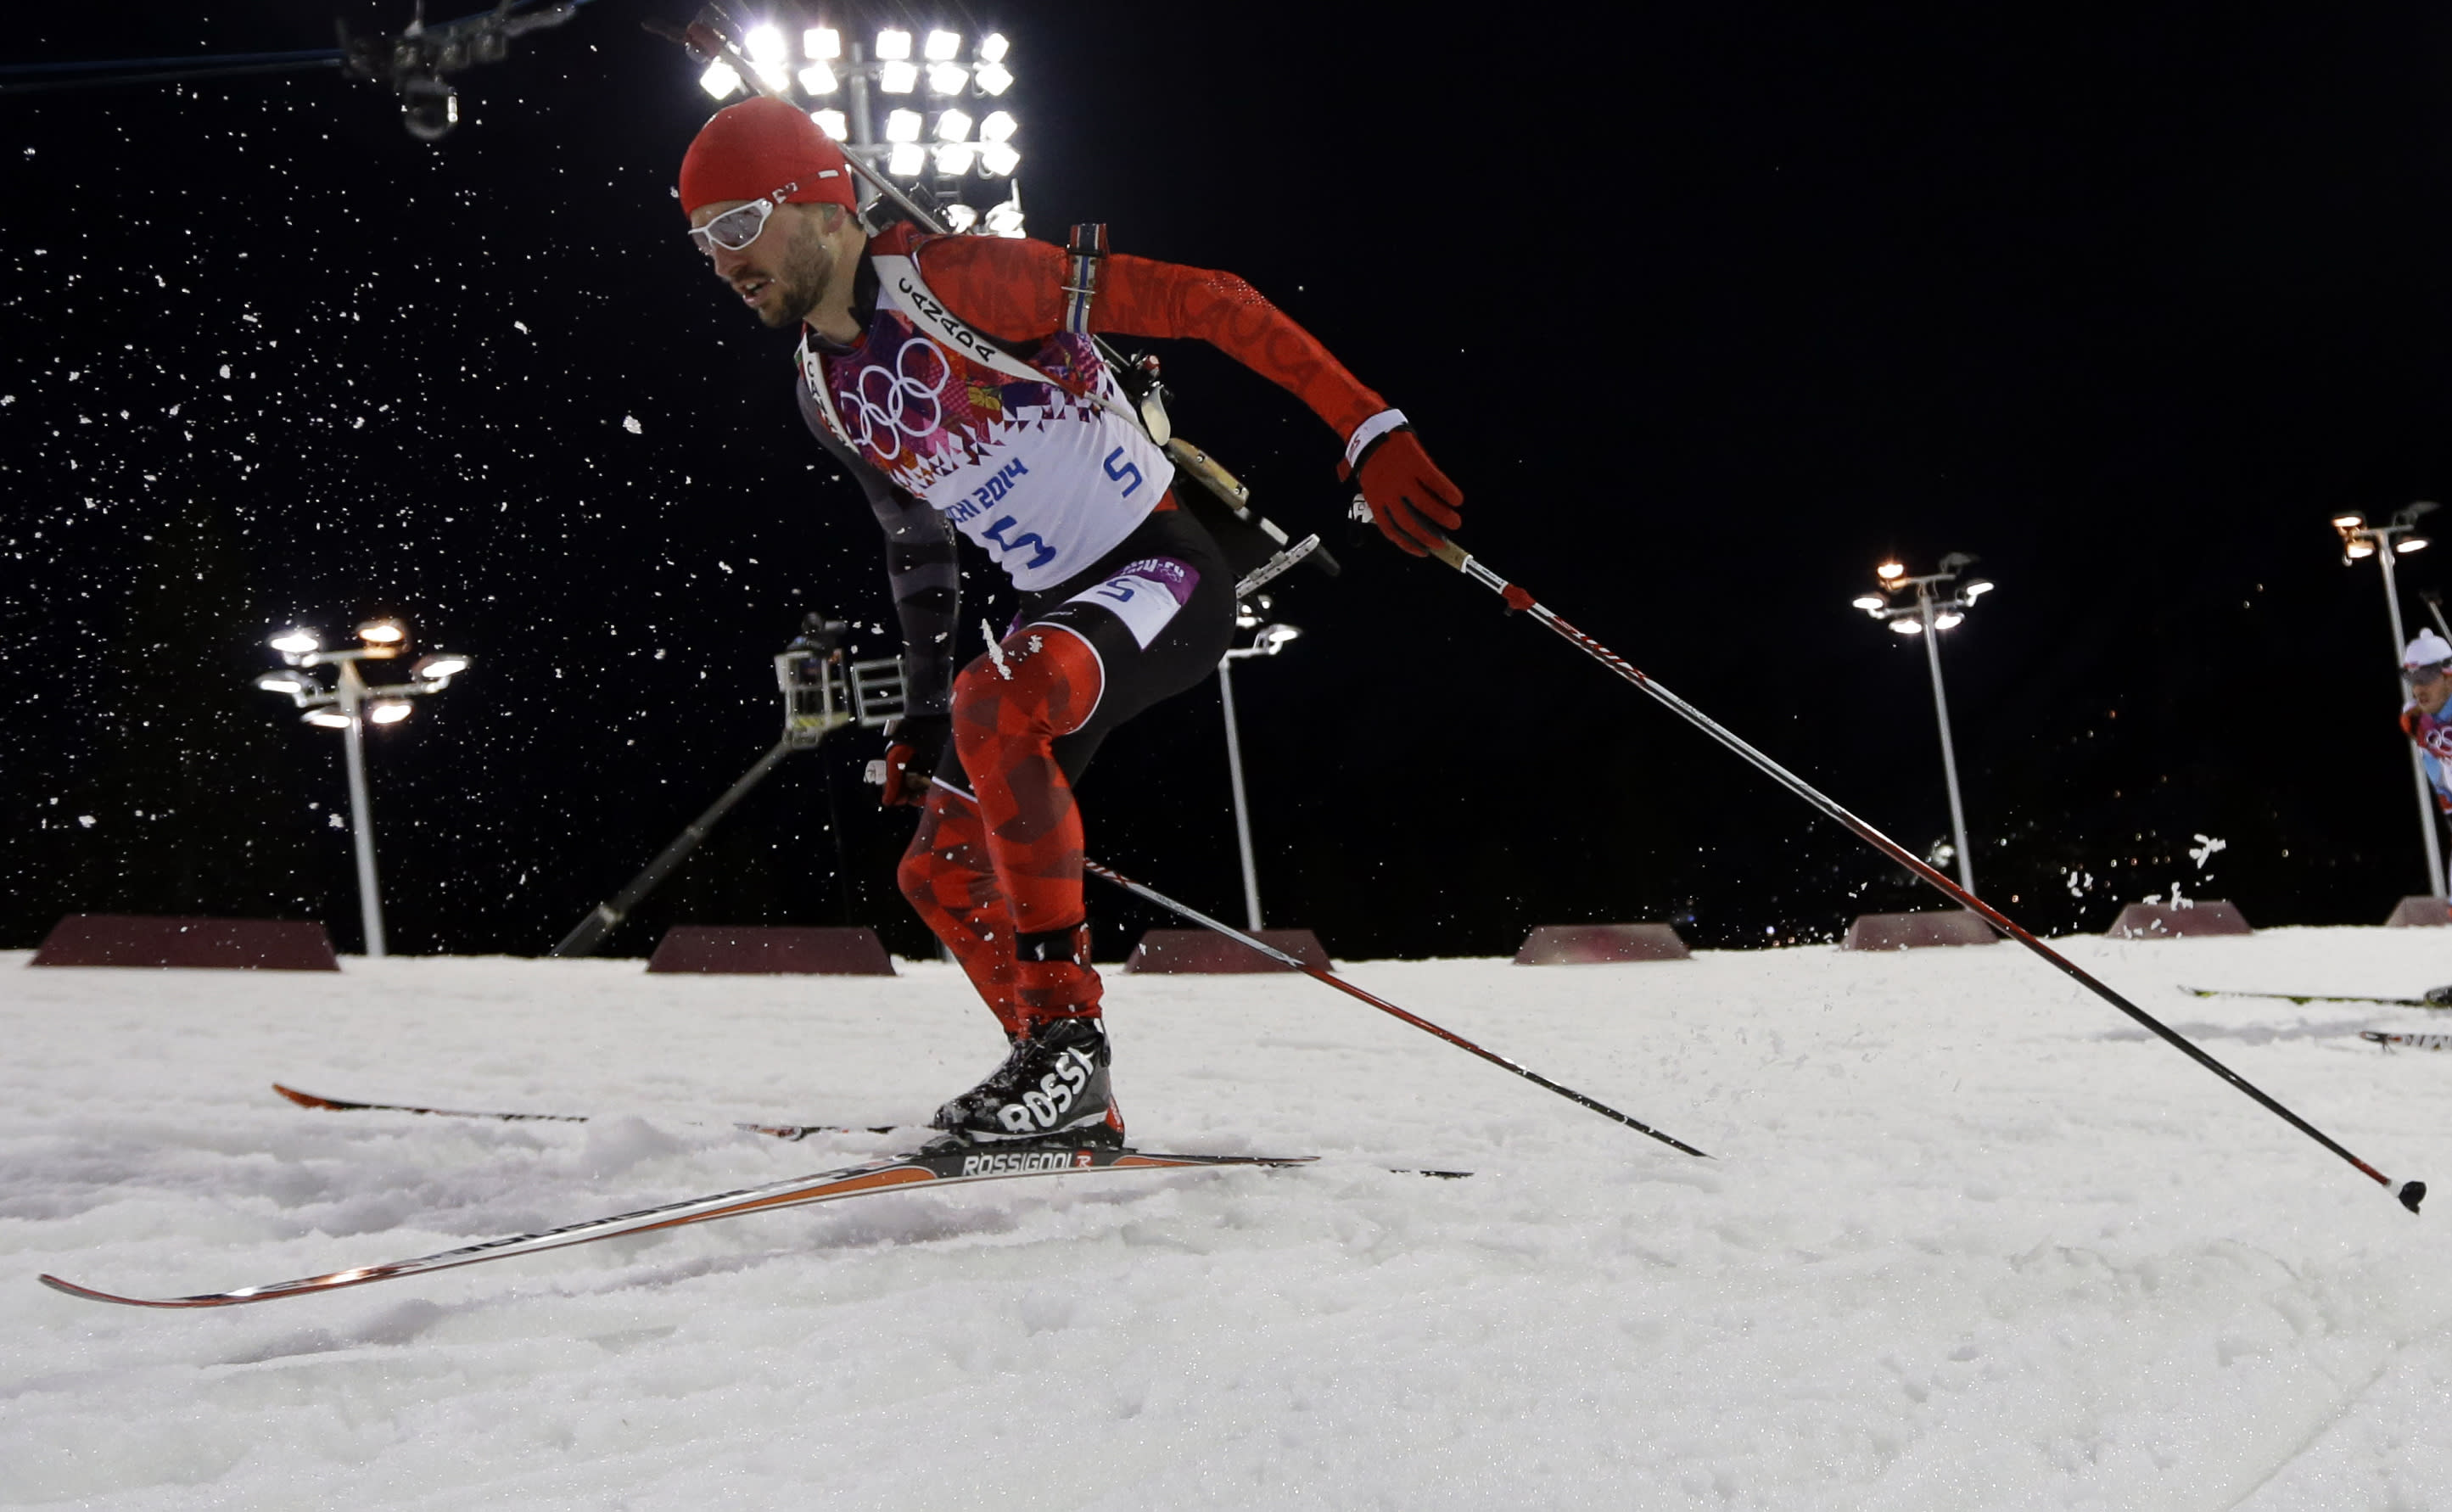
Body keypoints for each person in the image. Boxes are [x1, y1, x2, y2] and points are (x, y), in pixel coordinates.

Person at [675, 98, 1462, 1147]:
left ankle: (1067, 1044)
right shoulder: (824, 390)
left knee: (996, 705)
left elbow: (1210, 301)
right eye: (701, 240)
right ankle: (1061, 1092)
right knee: (938, 865)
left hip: (1163, 569)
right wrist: (915, 719)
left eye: (737, 227)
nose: (723, 261)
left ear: (816, 201)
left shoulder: (958, 278)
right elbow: (917, 546)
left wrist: (1368, 422)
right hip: (1062, 611)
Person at [2401, 629, 2452, 815]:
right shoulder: (2415, 720)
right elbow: (2434, 768)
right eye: (2412, 679)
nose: (2418, 689)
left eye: (2425, 678)